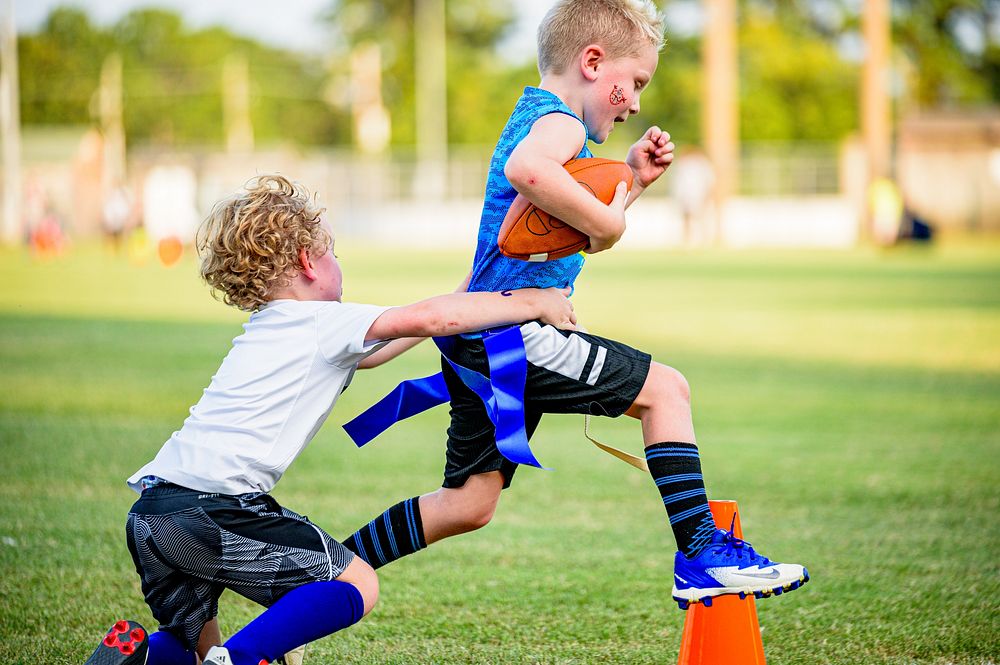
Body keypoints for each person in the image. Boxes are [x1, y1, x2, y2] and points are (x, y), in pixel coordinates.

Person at [340, 0, 808, 613]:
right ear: (593, 62)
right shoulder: (558, 125)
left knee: (467, 504)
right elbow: (531, 171)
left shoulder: (544, 124)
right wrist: (612, 224)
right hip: (513, 338)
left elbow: (541, 239)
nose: (636, 102)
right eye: (634, 82)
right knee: (667, 393)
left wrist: (631, 184)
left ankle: (320, 571)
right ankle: (701, 555)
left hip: (480, 334)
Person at [84, 174, 577, 665]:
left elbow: (380, 351)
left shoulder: (274, 328)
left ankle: (141, 657)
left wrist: (470, 289)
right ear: (307, 262)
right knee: (356, 584)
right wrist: (535, 302)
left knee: (196, 650)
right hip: (213, 506)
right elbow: (428, 319)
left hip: (152, 512)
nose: (339, 265)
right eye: (333, 252)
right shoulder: (318, 322)